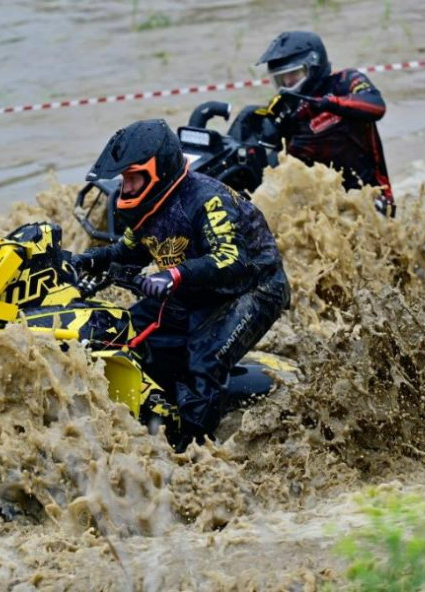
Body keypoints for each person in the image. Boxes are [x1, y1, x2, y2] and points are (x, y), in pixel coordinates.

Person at [71, 119, 290, 450]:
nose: (126, 188)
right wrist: (86, 261)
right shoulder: (147, 208)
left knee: (203, 360)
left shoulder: (206, 200)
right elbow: (127, 250)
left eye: (133, 179)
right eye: (124, 179)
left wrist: (174, 275)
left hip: (254, 287)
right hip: (196, 287)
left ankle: (192, 454)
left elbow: (233, 260)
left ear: (157, 171)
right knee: (121, 331)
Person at [255, 31, 395, 217]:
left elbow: (377, 106)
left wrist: (331, 103)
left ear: (313, 66)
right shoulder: (284, 110)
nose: (287, 83)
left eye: (294, 74)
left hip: (372, 195)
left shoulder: (346, 81)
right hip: (321, 206)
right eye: (282, 78)